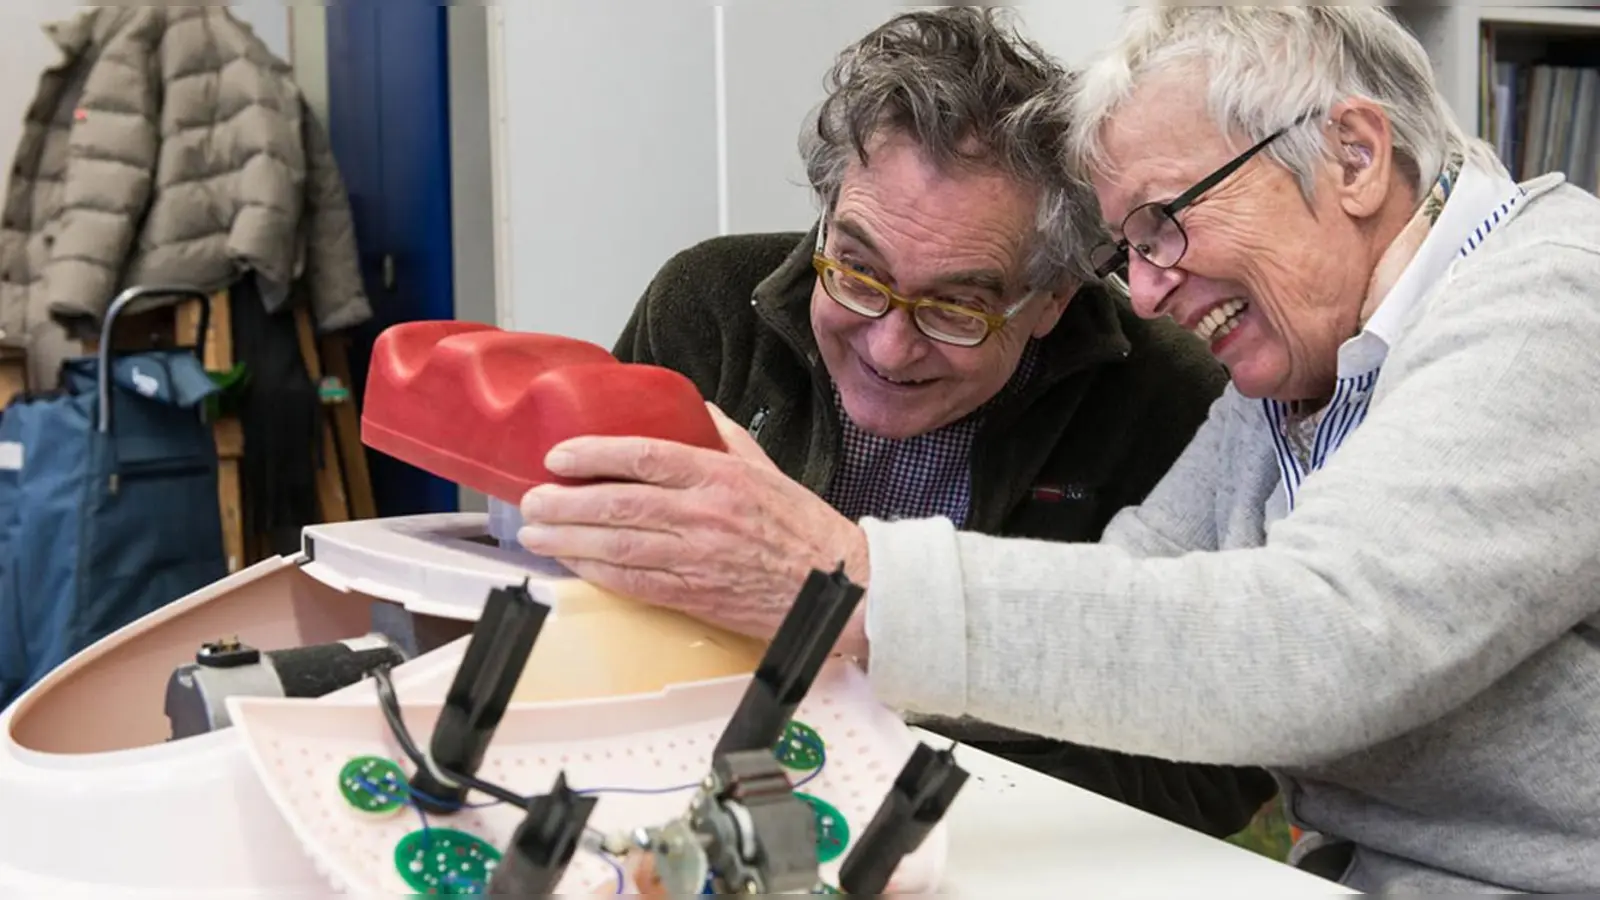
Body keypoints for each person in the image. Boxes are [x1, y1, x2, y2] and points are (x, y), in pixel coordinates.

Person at [522, 6, 1600, 893]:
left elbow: (1319, 641)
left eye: (1165, 223)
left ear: (1354, 156)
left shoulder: (1556, 299)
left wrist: (848, 583)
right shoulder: (1298, 378)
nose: (1142, 291)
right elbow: (1137, 587)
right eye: (1128, 244)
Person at [514, 8, 1277, 839]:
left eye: (957, 306)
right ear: (827, 212)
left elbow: (1223, 768)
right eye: (857, 270)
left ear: (1055, 298)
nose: (888, 342)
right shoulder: (704, 310)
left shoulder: (1170, 402)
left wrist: (890, 743)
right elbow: (570, 589)